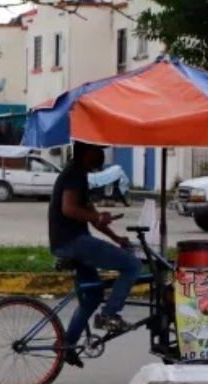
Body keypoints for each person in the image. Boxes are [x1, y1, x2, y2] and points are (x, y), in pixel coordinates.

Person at [49, 141, 141, 366]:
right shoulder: (74, 175)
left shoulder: (80, 175)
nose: (101, 155)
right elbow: (69, 209)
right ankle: (109, 314)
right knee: (132, 266)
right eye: (97, 150)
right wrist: (97, 218)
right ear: (86, 151)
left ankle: (67, 345)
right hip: (73, 243)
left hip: (69, 242)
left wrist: (116, 238)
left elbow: (91, 214)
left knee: (92, 297)